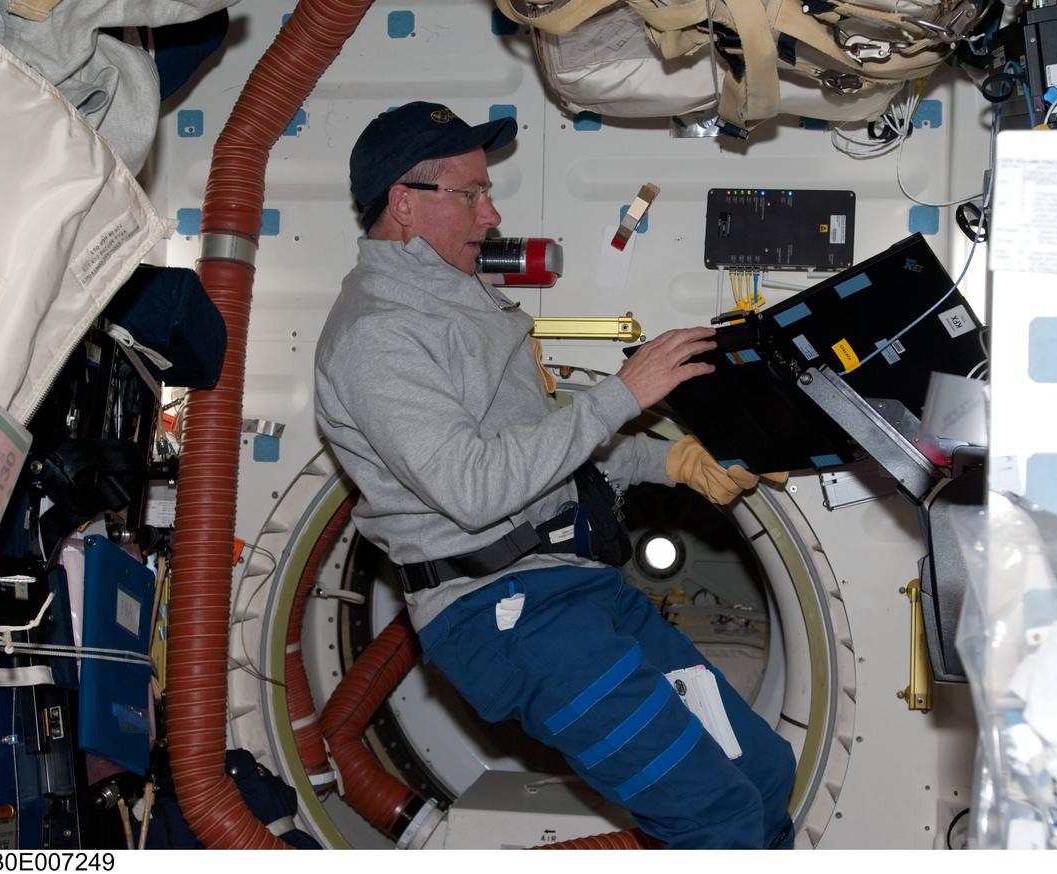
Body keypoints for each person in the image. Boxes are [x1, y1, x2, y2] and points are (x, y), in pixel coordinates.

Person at [314, 102, 796, 849]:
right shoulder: (379, 333)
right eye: (470, 192)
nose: (491, 211)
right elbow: (475, 488)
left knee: (763, 775)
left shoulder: (461, 301)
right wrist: (623, 393)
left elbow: (545, 453)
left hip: (577, 592)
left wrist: (670, 462)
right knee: (715, 819)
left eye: (486, 191)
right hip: (508, 616)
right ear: (404, 205)